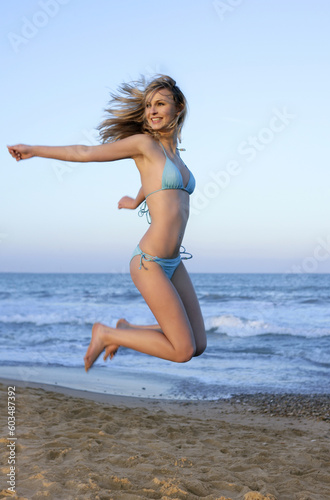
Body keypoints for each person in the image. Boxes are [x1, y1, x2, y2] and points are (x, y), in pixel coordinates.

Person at [7, 75, 207, 371]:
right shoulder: (143, 144)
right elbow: (84, 153)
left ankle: (125, 327)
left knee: (199, 344)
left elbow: (161, 185)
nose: (152, 111)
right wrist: (35, 149)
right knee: (182, 350)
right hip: (148, 262)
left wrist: (137, 200)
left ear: (178, 108)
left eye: (160, 104)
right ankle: (108, 333)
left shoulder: (176, 157)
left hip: (174, 262)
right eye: (149, 105)